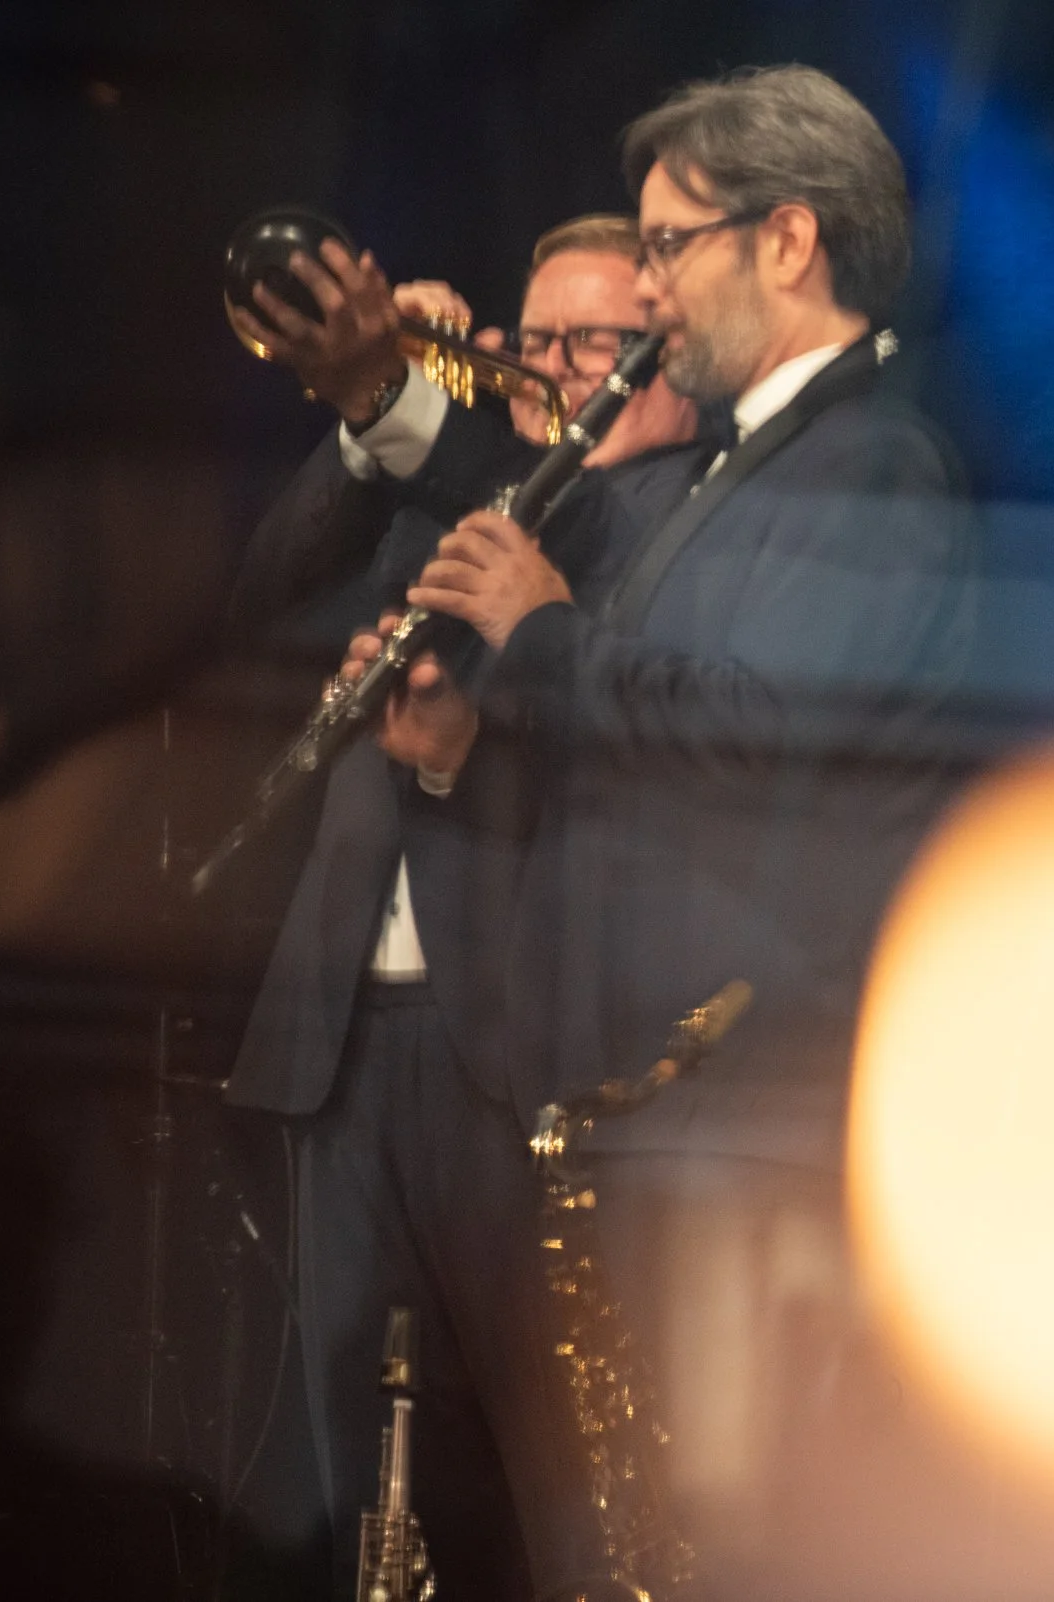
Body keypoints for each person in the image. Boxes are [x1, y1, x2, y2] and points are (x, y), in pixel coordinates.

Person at [344, 66, 977, 1589]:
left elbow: (761, 735)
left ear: (788, 242)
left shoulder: (875, 466)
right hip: (648, 1119)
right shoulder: (731, 466)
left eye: (669, 242)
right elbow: (609, 632)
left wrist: (547, 638)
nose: (644, 286)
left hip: (739, 1118)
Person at [220, 216, 698, 1600]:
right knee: (347, 1484)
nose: (548, 369)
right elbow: (260, 600)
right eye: (527, 342)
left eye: (588, 343)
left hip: (514, 1052)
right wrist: (371, 420)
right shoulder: (462, 503)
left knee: (537, 1483)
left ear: (663, 361)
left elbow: (626, 791)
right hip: (340, 1034)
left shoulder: (650, 521)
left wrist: (404, 399)